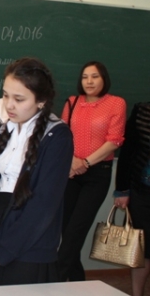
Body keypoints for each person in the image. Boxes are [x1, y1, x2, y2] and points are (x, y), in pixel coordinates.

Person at [0, 57, 73, 286]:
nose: (9, 105)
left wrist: (5, 252)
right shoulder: (4, 130)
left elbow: (43, 205)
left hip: (29, 241)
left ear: (41, 101)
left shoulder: (57, 136)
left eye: (19, 99)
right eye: (5, 95)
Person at [57, 61, 126, 282]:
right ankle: (77, 284)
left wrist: (85, 162)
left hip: (97, 174)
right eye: (85, 76)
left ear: (104, 78)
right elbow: (62, 136)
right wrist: (72, 162)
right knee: (68, 232)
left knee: (75, 231)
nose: (89, 81)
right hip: (70, 173)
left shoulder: (116, 103)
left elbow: (114, 141)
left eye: (95, 76)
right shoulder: (72, 102)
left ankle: (53, 281)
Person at [114, 102, 150, 296]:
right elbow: (128, 151)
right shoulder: (142, 111)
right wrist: (122, 189)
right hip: (141, 190)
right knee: (141, 247)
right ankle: (137, 293)